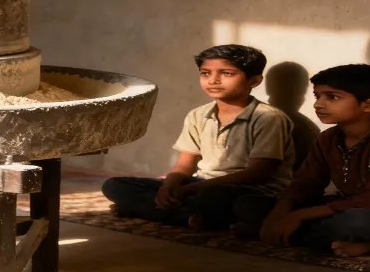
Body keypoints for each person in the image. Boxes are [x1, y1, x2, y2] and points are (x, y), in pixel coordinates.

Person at [234, 64, 370, 257]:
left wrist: (298, 217)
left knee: (355, 224)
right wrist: (279, 214)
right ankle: (319, 237)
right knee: (248, 204)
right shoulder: (328, 138)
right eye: (317, 96)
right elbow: (305, 184)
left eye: (332, 97)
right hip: (347, 208)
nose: (318, 104)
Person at [102, 45, 294, 230]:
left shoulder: (269, 118)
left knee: (228, 201)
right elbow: (185, 165)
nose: (213, 80)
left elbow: (257, 173)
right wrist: (168, 186)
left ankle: (152, 211)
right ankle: (191, 217)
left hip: (247, 190)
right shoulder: (198, 115)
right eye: (205, 73)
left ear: (254, 81)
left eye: (226, 73)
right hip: (200, 185)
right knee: (115, 186)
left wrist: (189, 190)